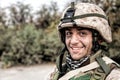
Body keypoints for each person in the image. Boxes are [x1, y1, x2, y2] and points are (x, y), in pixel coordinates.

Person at [50, 2, 120, 80]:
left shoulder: (112, 75)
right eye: (69, 33)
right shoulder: (56, 72)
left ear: (98, 38)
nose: (73, 41)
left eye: (82, 33)